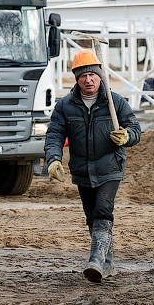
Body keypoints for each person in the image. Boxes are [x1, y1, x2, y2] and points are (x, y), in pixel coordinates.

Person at [44, 49, 142, 283]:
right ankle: (106, 265)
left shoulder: (115, 103)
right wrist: (53, 159)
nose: (88, 80)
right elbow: (54, 135)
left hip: (110, 168)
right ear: (76, 79)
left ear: (100, 76)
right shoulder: (65, 106)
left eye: (92, 75)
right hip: (82, 170)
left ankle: (95, 260)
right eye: (83, 76)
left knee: (102, 211)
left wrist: (126, 136)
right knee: (91, 217)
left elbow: (136, 130)